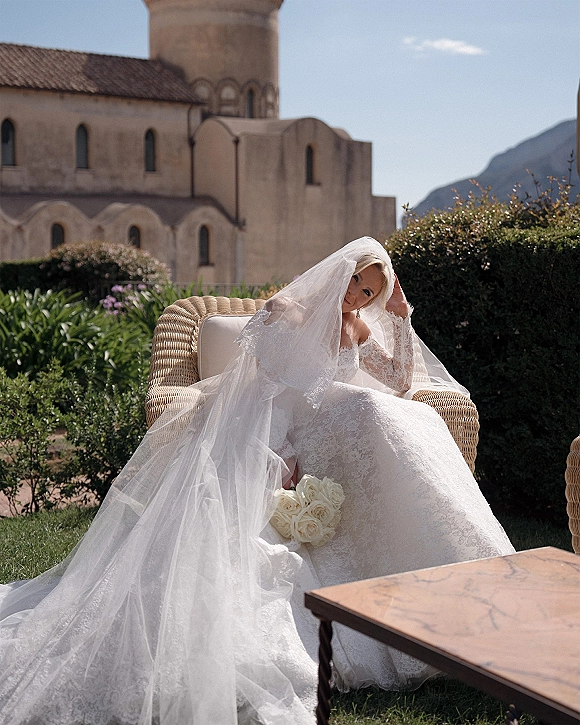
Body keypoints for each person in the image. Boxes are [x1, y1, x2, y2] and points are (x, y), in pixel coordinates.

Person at [0, 237, 514, 725]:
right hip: (297, 425)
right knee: (378, 415)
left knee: (409, 417)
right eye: (356, 281)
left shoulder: (358, 327)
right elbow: (262, 385)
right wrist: (277, 447)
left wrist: (400, 319)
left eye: (369, 292)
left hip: (341, 420)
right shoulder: (295, 312)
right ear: (341, 271)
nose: (357, 295)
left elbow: (400, 382)